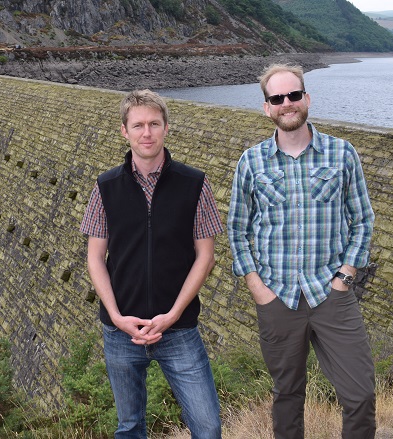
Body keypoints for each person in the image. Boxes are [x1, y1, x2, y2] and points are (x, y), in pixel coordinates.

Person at [227, 64, 376, 439]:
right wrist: (258, 289)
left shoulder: (342, 154)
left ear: (307, 98)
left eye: (294, 95)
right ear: (267, 108)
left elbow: (362, 221)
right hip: (277, 297)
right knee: (287, 397)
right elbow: (237, 229)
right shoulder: (252, 161)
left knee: (359, 395)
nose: (287, 104)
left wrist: (345, 277)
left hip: (332, 295)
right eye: (277, 98)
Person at [80, 89, 223, 439]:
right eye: (139, 125)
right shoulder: (105, 186)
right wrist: (115, 316)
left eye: (154, 124)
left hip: (178, 330)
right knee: (129, 428)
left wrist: (173, 314)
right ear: (124, 131)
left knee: (207, 428)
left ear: (166, 129)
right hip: (121, 331)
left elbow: (206, 256)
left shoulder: (195, 183)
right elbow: (95, 257)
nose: (147, 133)